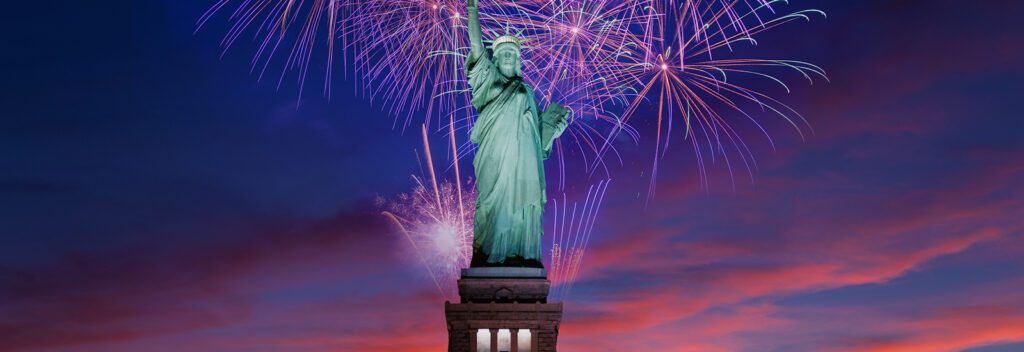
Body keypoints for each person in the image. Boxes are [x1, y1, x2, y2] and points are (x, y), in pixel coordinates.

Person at [465, 0, 570, 268]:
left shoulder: (527, 91)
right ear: (495, 58)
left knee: (523, 207)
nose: (508, 56)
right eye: (503, 53)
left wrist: (552, 131)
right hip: (495, 157)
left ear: (518, 59)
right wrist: (472, 9)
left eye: (512, 52)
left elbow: (536, 135)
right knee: (491, 205)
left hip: (524, 163)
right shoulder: (489, 81)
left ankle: (521, 255)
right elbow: (476, 47)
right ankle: (489, 255)